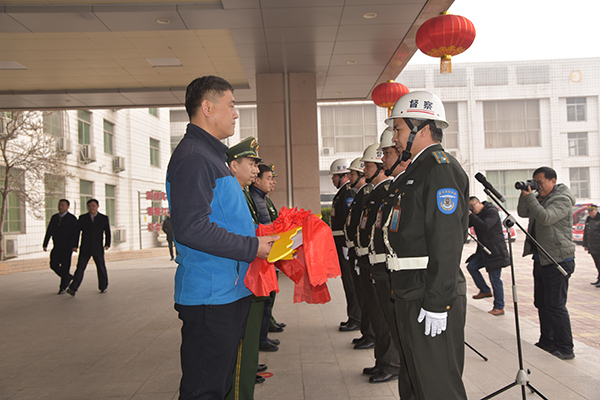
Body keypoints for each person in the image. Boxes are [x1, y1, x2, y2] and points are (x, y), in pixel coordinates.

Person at [166, 76, 277, 400]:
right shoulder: (195, 157)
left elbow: (223, 218)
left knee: (219, 385)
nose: (236, 113)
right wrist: (252, 246)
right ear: (207, 107)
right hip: (210, 296)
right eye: (231, 105)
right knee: (205, 389)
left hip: (227, 291)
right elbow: (191, 228)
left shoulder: (212, 155)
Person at [384, 91, 469, 400]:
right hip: (409, 290)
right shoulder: (417, 170)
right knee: (415, 381)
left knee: (437, 387)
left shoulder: (439, 168)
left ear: (420, 127)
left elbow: (447, 241)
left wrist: (437, 302)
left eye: (399, 129)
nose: (394, 137)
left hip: (427, 293)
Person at [225, 137, 272, 398]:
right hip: (240, 280)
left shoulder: (242, 193)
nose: (256, 170)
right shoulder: (231, 192)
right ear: (233, 165)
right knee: (241, 350)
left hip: (251, 276)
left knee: (248, 346)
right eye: (252, 164)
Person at [353, 141, 400, 383]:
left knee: (384, 319)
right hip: (371, 260)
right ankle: (382, 361)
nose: (364, 171)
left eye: (368, 166)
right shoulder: (376, 193)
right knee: (377, 315)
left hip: (381, 263)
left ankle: (391, 364)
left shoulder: (388, 191)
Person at [517, 166, 576, 360]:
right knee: (542, 302)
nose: (538, 187)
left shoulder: (562, 199)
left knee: (556, 305)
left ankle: (565, 347)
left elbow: (545, 218)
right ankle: (547, 341)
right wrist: (526, 193)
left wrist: (532, 197)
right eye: (535, 183)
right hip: (542, 257)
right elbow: (523, 212)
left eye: (540, 183)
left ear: (553, 181)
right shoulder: (540, 197)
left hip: (558, 258)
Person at [343, 157, 375, 348]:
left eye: (352, 173)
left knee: (368, 300)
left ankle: (370, 335)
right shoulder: (360, 194)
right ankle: (367, 333)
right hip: (358, 251)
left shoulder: (366, 194)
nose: (349, 177)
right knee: (364, 297)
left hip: (363, 253)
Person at [329, 158, 361, 332]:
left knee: (351, 282)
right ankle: (353, 316)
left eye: (334, 176)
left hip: (345, 244)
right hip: (341, 243)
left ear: (342, 176)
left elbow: (349, 220)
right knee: (347, 282)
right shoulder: (343, 193)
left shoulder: (347, 193)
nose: (333, 180)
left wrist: (348, 245)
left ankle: (356, 318)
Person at [467, 196, 510, 316]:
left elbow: (485, 226)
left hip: (495, 250)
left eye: (472, 206)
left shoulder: (491, 211)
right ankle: (485, 290)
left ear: (479, 202)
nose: (472, 209)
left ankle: (499, 306)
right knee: (472, 267)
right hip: (484, 251)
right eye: (469, 208)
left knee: (495, 279)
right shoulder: (475, 214)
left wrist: (471, 215)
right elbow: (469, 223)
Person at [66, 199, 111, 296]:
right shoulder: (82, 218)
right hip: (85, 247)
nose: (92, 208)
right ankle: (73, 288)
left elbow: (107, 232)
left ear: (98, 206)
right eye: (89, 206)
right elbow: (77, 232)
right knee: (80, 268)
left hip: (98, 247)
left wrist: (107, 243)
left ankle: (103, 286)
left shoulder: (103, 218)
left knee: (101, 267)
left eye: (93, 206)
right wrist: (75, 245)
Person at [43, 199, 78, 294]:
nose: (60, 207)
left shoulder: (72, 219)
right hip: (57, 246)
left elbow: (75, 234)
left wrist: (75, 245)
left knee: (65, 267)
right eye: (59, 205)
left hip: (67, 247)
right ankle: (68, 277)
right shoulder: (54, 218)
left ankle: (62, 287)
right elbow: (49, 231)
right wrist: (45, 243)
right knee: (53, 265)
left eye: (63, 205)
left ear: (67, 207)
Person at [583, 204, 600, 287]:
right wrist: (585, 244)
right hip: (592, 245)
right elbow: (586, 233)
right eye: (588, 211)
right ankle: (599, 278)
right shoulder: (588, 219)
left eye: (591, 211)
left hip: (598, 245)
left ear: (596, 210)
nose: (590, 213)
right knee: (597, 263)